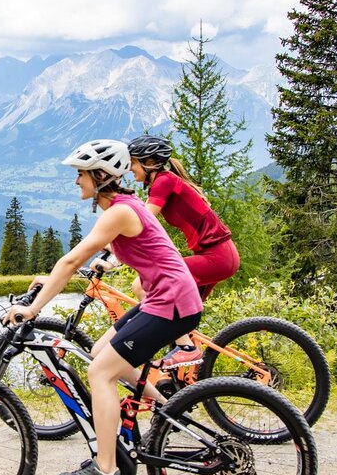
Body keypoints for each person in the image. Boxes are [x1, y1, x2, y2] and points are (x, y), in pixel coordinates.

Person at [3, 139, 202, 475]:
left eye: (80, 174)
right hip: (165, 299)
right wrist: (49, 282)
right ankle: (169, 410)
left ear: (99, 175)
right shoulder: (123, 208)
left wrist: (33, 309)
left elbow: (71, 261)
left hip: (171, 304)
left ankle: (106, 470)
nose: (76, 181)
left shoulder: (120, 211)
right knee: (100, 353)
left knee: (100, 372)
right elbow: (100, 254)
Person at [94, 135, 240, 369]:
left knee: (142, 287)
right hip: (216, 254)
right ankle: (185, 377)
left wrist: (111, 250)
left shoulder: (164, 181)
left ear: (148, 162)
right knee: (172, 311)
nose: (130, 169)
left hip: (217, 256)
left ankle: (187, 348)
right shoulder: (165, 181)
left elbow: (143, 223)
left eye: (132, 163)